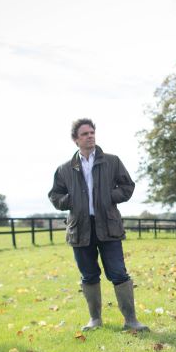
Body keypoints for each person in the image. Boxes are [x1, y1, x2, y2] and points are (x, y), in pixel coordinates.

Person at [49, 118, 147, 332]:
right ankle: (95, 319)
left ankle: (131, 320)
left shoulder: (112, 161)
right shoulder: (65, 169)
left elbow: (127, 186)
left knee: (119, 273)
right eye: (84, 134)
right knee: (89, 275)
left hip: (108, 226)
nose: (90, 136)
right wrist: (71, 200)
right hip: (80, 229)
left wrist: (109, 197)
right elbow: (55, 195)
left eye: (92, 132)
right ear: (75, 139)